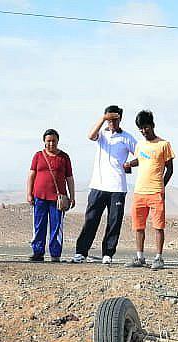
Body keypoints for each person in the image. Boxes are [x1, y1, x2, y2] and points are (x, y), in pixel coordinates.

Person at [72, 106, 136, 265]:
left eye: (115, 119)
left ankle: (108, 253)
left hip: (117, 188)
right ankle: (81, 252)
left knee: (114, 222)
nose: (112, 122)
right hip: (98, 185)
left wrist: (130, 163)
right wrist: (103, 118)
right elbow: (90, 135)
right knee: (91, 219)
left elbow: (143, 155)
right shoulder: (102, 134)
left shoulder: (127, 137)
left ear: (120, 119)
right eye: (110, 119)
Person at [123, 110, 174, 271]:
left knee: (158, 226)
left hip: (156, 192)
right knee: (138, 226)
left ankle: (158, 258)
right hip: (139, 191)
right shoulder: (140, 145)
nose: (144, 131)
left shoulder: (163, 144)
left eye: (146, 127)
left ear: (152, 125)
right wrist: (130, 164)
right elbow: (142, 158)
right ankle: (140, 257)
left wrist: (161, 186)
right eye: (141, 129)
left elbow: (170, 169)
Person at [26, 129, 75, 263]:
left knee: (56, 226)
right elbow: (32, 175)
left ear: (58, 141)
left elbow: (69, 177)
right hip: (39, 197)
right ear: (44, 142)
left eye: (54, 141)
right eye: (49, 141)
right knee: (39, 225)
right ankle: (38, 252)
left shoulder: (64, 157)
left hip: (58, 199)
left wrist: (72, 196)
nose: (51, 143)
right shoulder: (38, 156)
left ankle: (55, 254)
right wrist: (29, 194)